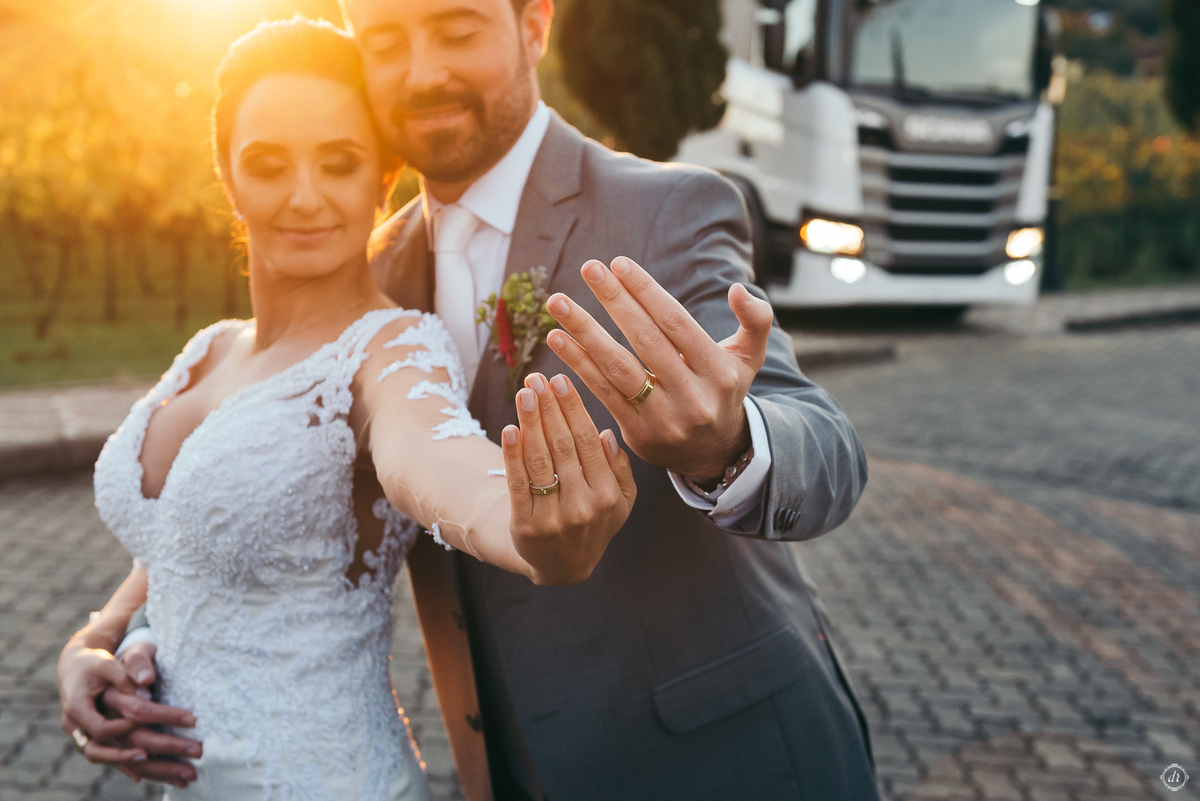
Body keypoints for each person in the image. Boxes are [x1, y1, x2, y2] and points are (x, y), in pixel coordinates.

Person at [62, 0, 882, 797]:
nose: (423, 73)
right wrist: (105, 634)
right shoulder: (369, 267)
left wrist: (728, 441)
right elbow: (236, 510)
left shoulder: (662, 211)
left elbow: (828, 450)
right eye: (385, 41)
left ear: (533, 27)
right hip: (508, 766)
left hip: (720, 760)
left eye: (456, 29)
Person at [56, 17, 636, 800]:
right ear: (227, 173)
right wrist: (90, 642)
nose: (304, 197)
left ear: (383, 179)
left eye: (339, 163)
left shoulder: (391, 350)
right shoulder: (210, 350)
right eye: (267, 164)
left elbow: (429, 455)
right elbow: (178, 542)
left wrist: (526, 524)